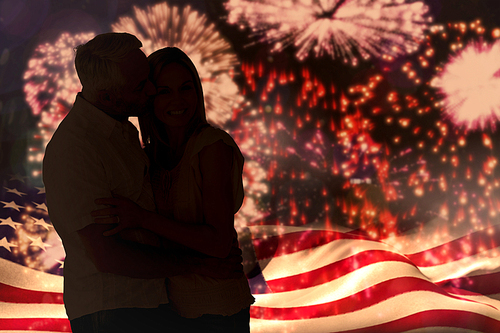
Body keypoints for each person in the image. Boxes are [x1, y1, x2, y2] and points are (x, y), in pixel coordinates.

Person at [43, 33, 243, 333]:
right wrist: (198, 264)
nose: (150, 91)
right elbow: (106, 255)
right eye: (145, 87)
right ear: (109, 97)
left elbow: (213, 237)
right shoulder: (76, 148)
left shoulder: (125, 134)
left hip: (160, 306)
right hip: (114, 311)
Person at [91, 47, 255, 332]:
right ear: (149, 96)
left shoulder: (212, 146)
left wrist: (142, 218)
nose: (178, 100)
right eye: (165, 91)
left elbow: (218, 243)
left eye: (186, 88)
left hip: (216, 307)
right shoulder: (148, 156)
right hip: (166, 306)